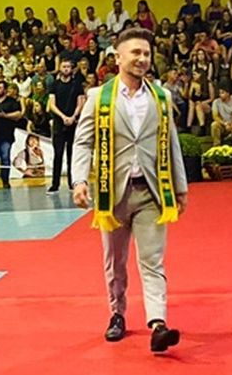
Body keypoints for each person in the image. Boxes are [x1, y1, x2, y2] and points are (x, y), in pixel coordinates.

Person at [70, 27, 187, 353]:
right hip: (113, 194)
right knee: (115, 262)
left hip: (152, 191)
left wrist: (180, 187)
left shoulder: (161, 97)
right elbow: (83, 142)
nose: (142, 59)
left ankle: (158, 324)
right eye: (135, 52)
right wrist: (79, 181)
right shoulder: (99, 97)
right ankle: (117, 314)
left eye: (146, 53)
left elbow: (172, 143)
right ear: (118, 57)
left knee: (152, 260)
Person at [47, 56, 85, 194]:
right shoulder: (54, 85)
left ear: (72, 69)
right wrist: (63, 117)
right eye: (64, 67)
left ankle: (72, 182)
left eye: (68, 67)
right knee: (58, 154)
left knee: (71, 155)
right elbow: (52, 104)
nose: (66, 69)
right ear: (60, 68)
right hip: (59, 123)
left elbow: (80, 102)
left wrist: (73, 116)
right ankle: (55, 184)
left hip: (73, 123)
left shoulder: (77, 85)